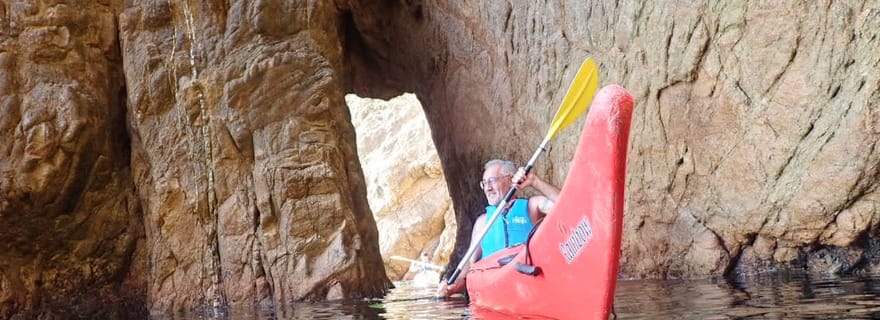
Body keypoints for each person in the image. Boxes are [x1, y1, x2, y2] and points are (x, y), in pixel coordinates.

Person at [436, 159, 560, 297]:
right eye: (484, 183)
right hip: (494, 292)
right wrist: (450, 288)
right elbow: (468, 265)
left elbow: (565, 205)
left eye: (492, 181)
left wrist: (535, 181)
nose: (487, 188)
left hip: (527, 286)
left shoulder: (532, 206)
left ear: (510, 180)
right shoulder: (482, 222)